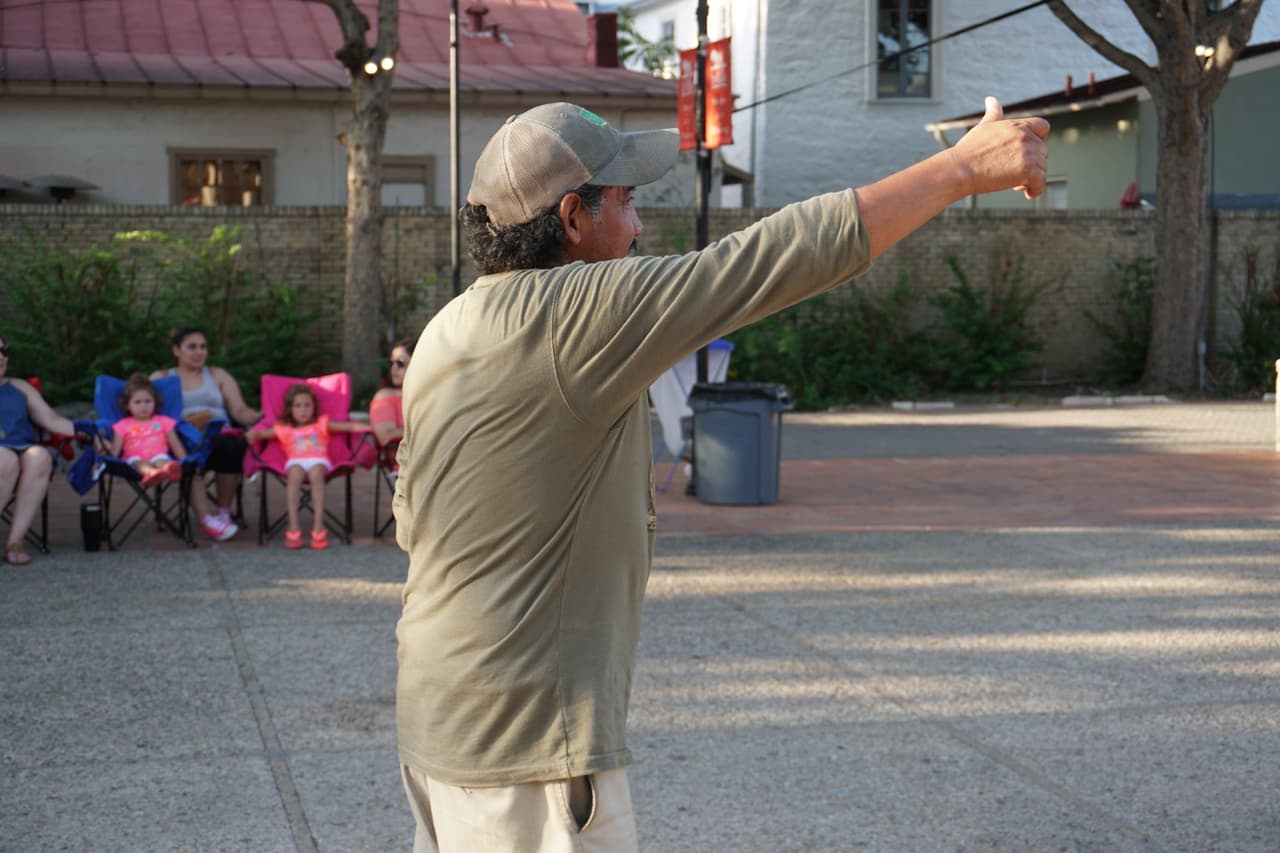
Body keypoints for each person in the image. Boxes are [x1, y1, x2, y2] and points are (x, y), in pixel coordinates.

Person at [393, 99, 1049, 850]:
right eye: (627, 201)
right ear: (572, 219)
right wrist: (962, 168)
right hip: (523, 747)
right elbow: (770, 259)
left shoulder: (447, 330)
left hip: (437, 720)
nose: (639, 227)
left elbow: (413, 519)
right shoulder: (578, 312)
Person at [153, 327, 260, 542]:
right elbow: (148, 415)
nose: (199, 352)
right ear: (176, 350)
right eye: (192, 347)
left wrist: (262, 417)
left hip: (219, 437)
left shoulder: (217, 375)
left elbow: (239, 410)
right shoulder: (161, 378)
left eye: (203, 347)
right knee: (187, 453)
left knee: (231, 445)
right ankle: (206, 520)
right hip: (183, 437)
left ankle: (223, 512)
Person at [245, 382, 364, 550]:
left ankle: (318, 527)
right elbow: (261, 433)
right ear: (290, 408)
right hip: (295, 461)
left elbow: (348, 426)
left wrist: (369, 428)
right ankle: (293, 527)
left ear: (314, 407)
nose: (303, 410)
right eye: (298, 405)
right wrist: (253, 433)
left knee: (316, 473)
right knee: (294, 474)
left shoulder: (321, 423)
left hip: (318, 460)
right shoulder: (284, 428)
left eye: (307, 405)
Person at [0, 335, 77, 565]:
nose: (1, 356)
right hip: (4, 457)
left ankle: (15, 541)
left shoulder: (20, 387)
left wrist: (86, 430)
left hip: (20, 448)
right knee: (6, 460)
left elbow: (50, 419)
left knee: (40, 456)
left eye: (4, 351)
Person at [104, 373, 185, 486]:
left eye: (148, 401)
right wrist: (105, 457)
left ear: (154, 402)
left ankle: (170, 471)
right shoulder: (122, 425)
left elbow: (175, 444)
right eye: (137, 402)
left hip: (159, 455)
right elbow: (115, 450)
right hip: (134, 458)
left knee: (163, 462)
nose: (143, 406)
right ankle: (153, 474)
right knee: (140, 464)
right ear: (128, 405)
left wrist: (185, 461)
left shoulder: (164, 421)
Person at [368, 339, 415, 449]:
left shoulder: (430, 395)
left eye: (400, 363)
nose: (394, 368)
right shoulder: (385, 396)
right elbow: (385, 437)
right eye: (391, 363)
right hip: (402, 462)